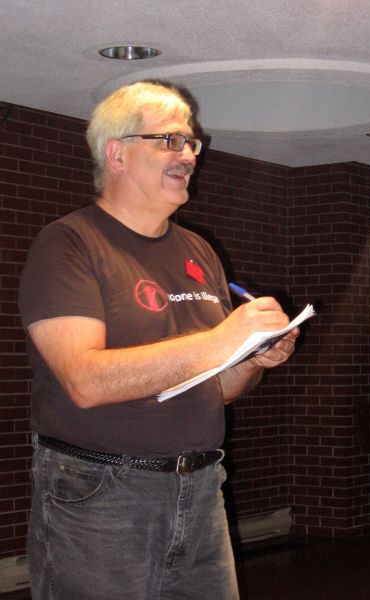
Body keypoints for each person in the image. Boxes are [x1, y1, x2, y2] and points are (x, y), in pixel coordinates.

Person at [19, 81, 299, 600]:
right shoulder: (68, 244)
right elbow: (85, 380)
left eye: (192, 142)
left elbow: (214, 389)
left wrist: (255, 356)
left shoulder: (198, 250)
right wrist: (223, 336)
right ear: (117, 153)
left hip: (200, 487)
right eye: (170, 140)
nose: (189, 155)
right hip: (100, 494)